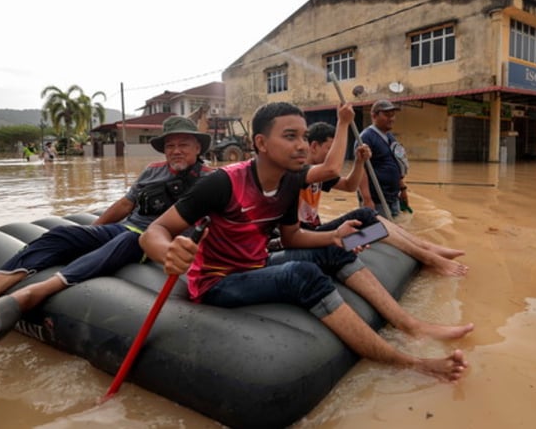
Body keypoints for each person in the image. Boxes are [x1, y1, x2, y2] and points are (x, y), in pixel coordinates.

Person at [139, 102, 472, 382]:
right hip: (217, 281)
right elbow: (155, 231)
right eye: (291, 137)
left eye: (303, 136)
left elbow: (292, 236)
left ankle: (409, 322)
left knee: (361, 227)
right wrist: (167, 251)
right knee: (302, 273)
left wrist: (335, 236)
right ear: (261, 143)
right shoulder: (222, 184)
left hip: (258, 263)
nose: (302, 144)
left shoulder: (291, 180)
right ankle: (408, 363)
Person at [0, 116, 213, 345]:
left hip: (153, 243)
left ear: (198, 148)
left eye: (184, 144)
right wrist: (88, 234)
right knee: (60, 235)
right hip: (125, 229)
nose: (176, 150)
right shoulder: (152, 171)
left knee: (129, 239)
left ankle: (27, 296)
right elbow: (125, 204)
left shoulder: (212, 180)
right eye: (170, 145)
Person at [301, 121, 468, 277]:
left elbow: (350, 186)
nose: (333, 157)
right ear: (314, 146)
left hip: (319, 233)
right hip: (309, 239)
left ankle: (426, 247)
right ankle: (430, 258)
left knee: (371, 223)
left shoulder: (319, 173)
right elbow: (332, 169)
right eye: (330, 150)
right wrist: (343, 121)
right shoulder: (301, 172)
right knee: (366, 215)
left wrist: (360, 162)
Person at [357, 99, 410, 218]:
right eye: (386, 115)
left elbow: (395, 164)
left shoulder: (390, 137)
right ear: (374, 115)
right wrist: (367, 200)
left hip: (393, 197)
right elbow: (360, 170)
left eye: (393, 115)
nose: (391, 119)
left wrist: (403, 189)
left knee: (396, 229)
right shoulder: (365, 138)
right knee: (380, 233)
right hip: (377, 200)